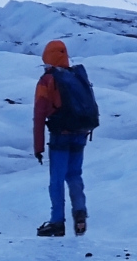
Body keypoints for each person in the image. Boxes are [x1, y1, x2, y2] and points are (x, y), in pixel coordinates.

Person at [33, 39, 99, 237]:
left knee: (57, 179)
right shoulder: (76, 77)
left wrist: (38, 147)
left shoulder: (48, 80)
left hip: (60, 135)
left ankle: (57, 222)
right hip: (80, 133)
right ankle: (80, 215)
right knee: (74, 175)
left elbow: (39, 115)